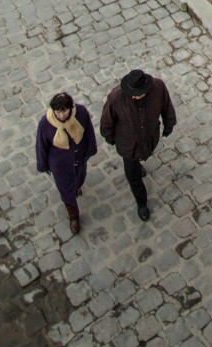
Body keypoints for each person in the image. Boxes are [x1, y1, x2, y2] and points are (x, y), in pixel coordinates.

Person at [100, 69, 176, 221]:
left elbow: (166, 106)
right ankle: (141, 202)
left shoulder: (158, 87)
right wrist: (111, 139)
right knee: (133, 176)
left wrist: (169, 124)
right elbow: (106, 123)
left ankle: (139, 164)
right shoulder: (116, 98)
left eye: (140, 93)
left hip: (148, 137)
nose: (137, 96)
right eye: (134, 94)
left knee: (141, 157)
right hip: (128, 145)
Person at [36, 92, 97, 236]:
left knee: (80, 177)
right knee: (66, 191)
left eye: (64, 111)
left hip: (79, 158)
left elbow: (89, 131)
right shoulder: (45, 123)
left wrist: (89, 151)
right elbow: (41, 145)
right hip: (60, 165)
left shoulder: (81, 112)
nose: (62, 115)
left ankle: (77, 186)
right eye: (58, 112)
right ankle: (73, 217)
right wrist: (44, 165)